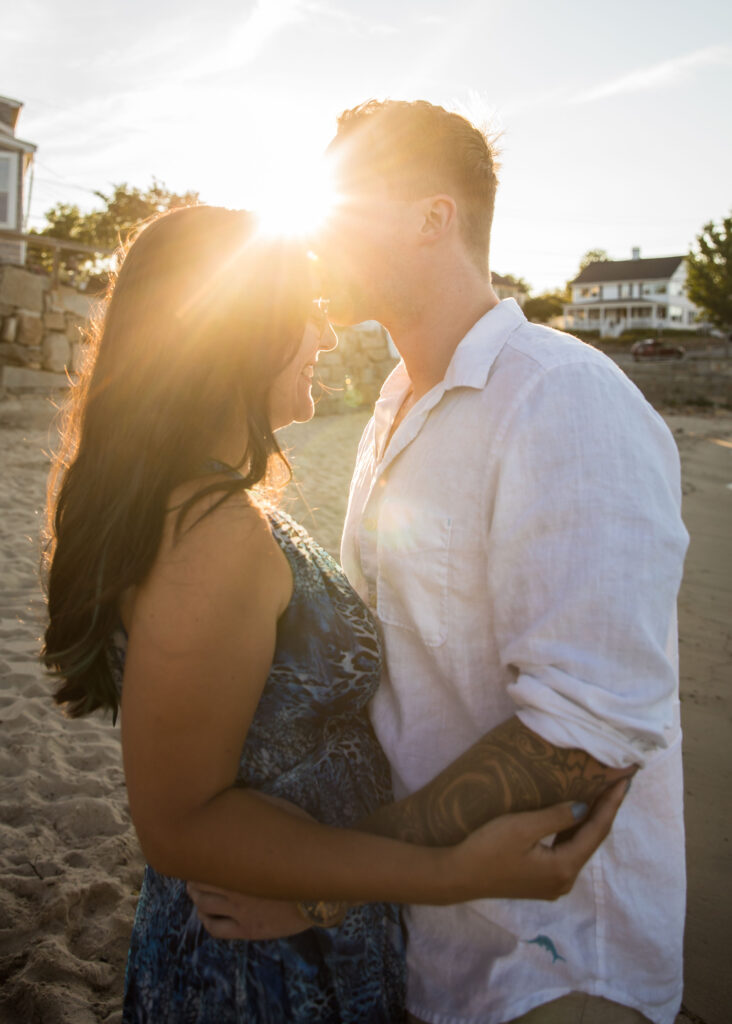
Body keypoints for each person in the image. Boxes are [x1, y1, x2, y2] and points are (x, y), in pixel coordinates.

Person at [42, 204, 627, 1024]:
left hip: (291, 936)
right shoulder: (210, 531)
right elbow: (177, 826)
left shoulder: (204, 501)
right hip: (258, 972)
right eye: (305, 310)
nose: (325, 333)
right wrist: (453, 874)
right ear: (236, 331)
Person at [190, 103, 688, 1024]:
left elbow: (585, 735)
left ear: (432, 217)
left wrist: (319, 887)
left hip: (557, 965)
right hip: (427, 950)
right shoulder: (394, 405)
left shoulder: (563, 402)